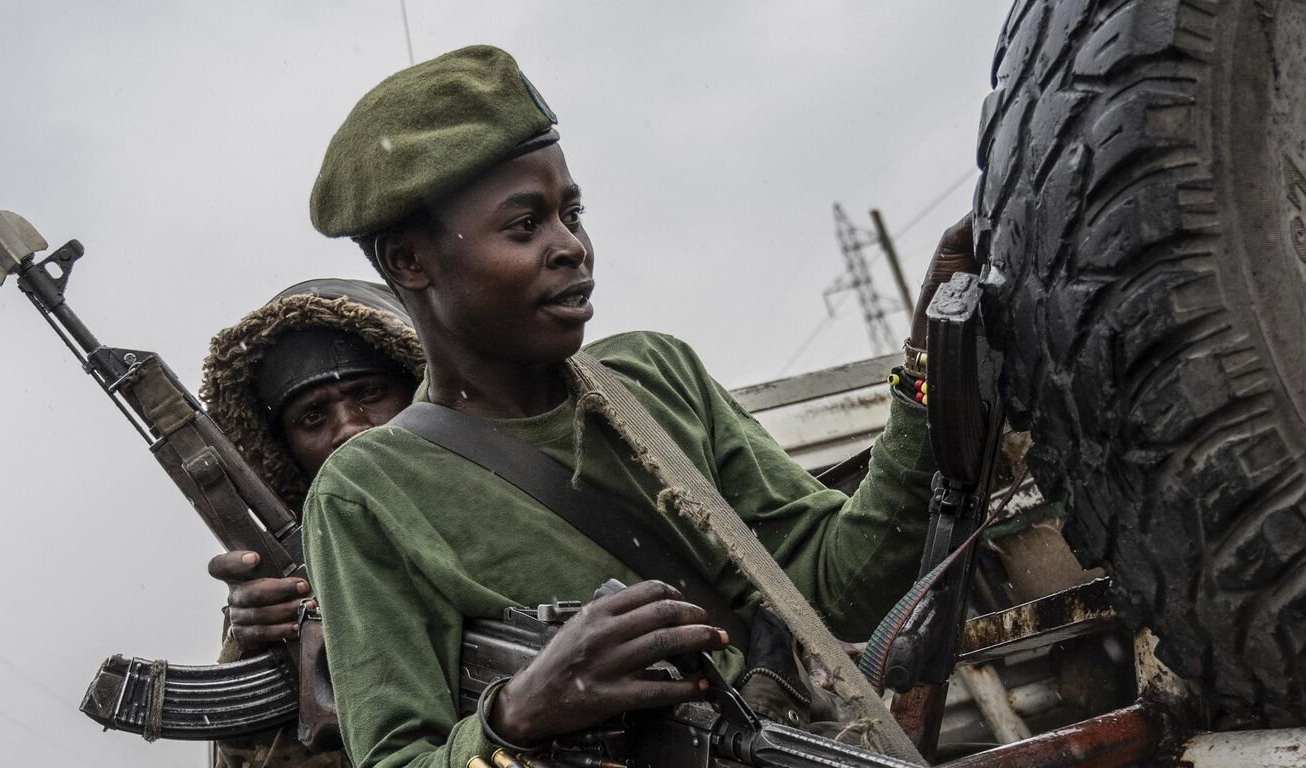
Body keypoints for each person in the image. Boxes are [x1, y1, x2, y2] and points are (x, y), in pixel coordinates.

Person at [300, 45, 978, 768]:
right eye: (525, 226)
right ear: (409, 261)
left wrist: (930, 374)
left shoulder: (655, 376)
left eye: (573, 213)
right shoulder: (368, 493)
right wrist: (520, 714)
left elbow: (837, 591)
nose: (571, 248)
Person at [197, 277, 424, 768]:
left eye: (370, 392)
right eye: (313, 416)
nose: (349, 427)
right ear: (285, 453)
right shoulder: (295, 587)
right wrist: (262, 651)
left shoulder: (512, 501)